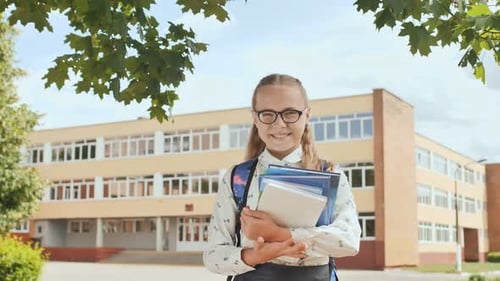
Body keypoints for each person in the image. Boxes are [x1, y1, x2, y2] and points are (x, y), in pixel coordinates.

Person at [203, 73, 361, 281]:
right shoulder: (237, 179)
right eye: (268, 114)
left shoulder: (331, 174)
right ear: (254, 117)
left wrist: (281, 234)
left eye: (290, 113)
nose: (279, 124)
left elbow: (349, 240)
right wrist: (253, 256)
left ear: (307, 115)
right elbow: (213, 255)